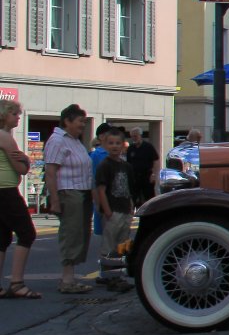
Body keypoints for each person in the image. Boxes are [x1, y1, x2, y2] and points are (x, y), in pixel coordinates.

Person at [43, 104, 95, 295]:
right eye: (80, 121)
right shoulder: (57, 140)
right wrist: (55, 200)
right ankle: (66, 280)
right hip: (68, 192)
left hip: (82, 192)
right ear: (67, 121)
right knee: (71, 234)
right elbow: (50, 172)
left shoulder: (75, 141)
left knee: (80, 234)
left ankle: (70, 278)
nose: (83, 125)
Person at [0, 99, 38, 299]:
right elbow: (21, 169)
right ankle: (17, 283)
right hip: (6, 191)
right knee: (27, 233)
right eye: (14, 114)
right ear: (4, 115)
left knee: (2, 237)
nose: (18, 118)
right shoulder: (5, 137)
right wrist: (26, 160)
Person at [93, 130, 134, 293]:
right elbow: (101, 190)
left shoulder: (126, 166)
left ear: (123, 145)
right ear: (105, 145)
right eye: (111, 143)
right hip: (112, 210)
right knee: (109, 245)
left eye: (118, 143)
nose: (114, 146)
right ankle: (109, 276)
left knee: (122, 244)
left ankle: (118, 275)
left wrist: (131, 208)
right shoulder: (105, 165)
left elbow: (129, 189)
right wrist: (107, 210)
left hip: (125, 209)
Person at [125, 127, 158, 208]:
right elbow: (128, 163)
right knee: (134, 197)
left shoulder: (148, 147)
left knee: (149, 197)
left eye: (136, 136)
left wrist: (154, 174)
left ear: (140, 135)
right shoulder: (130, 148)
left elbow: (156, 160)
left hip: (146, 175)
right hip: (135, 176)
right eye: (132, 136)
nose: (134, 138)